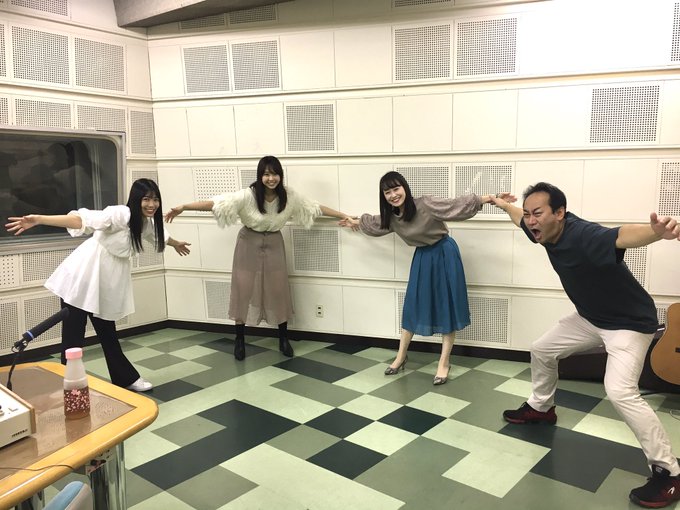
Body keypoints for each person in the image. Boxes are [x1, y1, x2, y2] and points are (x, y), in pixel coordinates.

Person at [491, 182, 680, 508]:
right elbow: (517, 216)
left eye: (538, 213)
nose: (531, 220)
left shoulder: (582, 235)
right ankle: (541, 408)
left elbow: (621, 235)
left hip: (629, 324)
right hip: (591, 318)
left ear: (560, 213)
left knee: (620, 391)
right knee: (542, 349)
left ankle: (669, 471)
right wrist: (502, 204)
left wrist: (655, 232)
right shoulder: (540, 230)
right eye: (529, 214)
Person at [5, 179, 191, 392]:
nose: (152, 204)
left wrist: (176, 244)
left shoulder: (146, 223)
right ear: (136, 199)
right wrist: (39, 219)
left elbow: (160, 236)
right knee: (73, 336)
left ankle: (124, 378)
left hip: (106, 283)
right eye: (146, 199)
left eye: (156, 199)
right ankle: (70, 382)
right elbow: (82, 220)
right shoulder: (120, 214)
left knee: (108, 333)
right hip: (82, 278)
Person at [165, 155, 354, 361]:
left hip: (274, 243)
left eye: (275, 174)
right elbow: (216, 204)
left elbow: (315, 207)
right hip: (248, 243)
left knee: (278, 289)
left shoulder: (289, 196)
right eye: (266, 174)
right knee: (243, 288)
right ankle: (239, 339)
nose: (271, 178)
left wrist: (343, 215)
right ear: (260, 176)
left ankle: (283, 338)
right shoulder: (247, 196)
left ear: (280, 175)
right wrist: (184, 207)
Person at [340, 171, 515, 385]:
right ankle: (401, 356)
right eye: (387, 192)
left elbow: (455, 205)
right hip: (422, 258)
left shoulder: (425, 204)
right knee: (413, 306)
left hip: (444, 254)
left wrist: (491, 198)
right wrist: (355, 222)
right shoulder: (392, 218)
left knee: (446, 306)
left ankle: (444, 362)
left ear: (405, 188)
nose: (393, 195)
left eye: (396, 189)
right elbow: (373, 223)